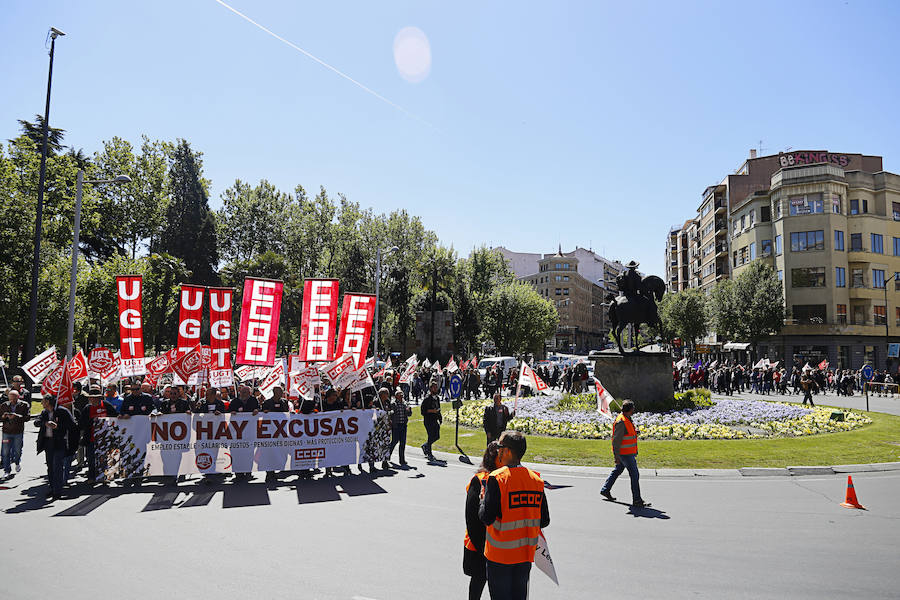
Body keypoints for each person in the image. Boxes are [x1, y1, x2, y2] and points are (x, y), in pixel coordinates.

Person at [478, 431, 549, 600]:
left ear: (507, 451)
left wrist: (482, 500)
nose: (497, 451)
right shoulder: (536, 480)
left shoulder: (497, 478)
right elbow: (544, 520)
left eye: (500, 447)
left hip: (500, 556)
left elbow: (486, 517)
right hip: (525, 555)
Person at [464, 442, 501, 600]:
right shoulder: (479, 480)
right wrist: (482, 548)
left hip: (499, 544)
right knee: (478, 581)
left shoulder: (504, 479)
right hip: (480, 544)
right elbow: (471, 519)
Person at [600, 399, 650, 507]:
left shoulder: (626, 419)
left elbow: (626, 434)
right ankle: (637, 500)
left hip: (626, 453)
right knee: (634, 475)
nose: (634, 410)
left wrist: (634, 432)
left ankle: (605, 489)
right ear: (630, 409)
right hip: (625, 454)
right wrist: (616, 456)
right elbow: (616, 441)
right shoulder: (621, 421)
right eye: (633, 409)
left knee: (617, 471)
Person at [35, 396, 78, 500]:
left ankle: (57, 491)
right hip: (48, 443)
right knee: (50, 467)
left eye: (43, 401)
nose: (41, 403)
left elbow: (72, 425)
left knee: (57, 466)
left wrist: (57, 426)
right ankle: (52, 487)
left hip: (59, 442)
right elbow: (36, 422)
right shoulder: (45, 412)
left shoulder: (62, 411)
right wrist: (45, 423)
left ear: (48, 402)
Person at [79, 385, 118, 482]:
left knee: (105, 458)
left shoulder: (106, 405)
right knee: (91, 459)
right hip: (91, 438)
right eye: (91, 398)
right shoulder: (87, 408)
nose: (93, 400)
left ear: (99, 398)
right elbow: (81, 423)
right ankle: (92, 477)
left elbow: (115, 417)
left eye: (95, 398)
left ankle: (106, 476)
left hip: (105, 438)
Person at [1, 389, 31, 476]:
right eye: (10, 398)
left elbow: (27, 417)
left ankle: (17, 462)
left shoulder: (24, 405)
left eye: (14, 398)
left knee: (17, 450)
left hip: (18, 431)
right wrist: (4, 416)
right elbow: (0, 418)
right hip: (6, 432)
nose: (12, 400)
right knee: (5, 452)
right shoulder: (4, 405)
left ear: (18, 397)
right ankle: (7, 470)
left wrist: (16, 416)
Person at [388, 388, 412, 467]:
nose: (402, 396)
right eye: (400, 395)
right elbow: (390, 414)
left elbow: (409, 414)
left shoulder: (405, 404)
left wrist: (409, 410)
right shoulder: (393, 404)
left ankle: (402, 459)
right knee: (394, 442)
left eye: (402, 395)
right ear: (396, 396)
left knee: (403, 443)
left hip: (403, 425)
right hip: (396, 425)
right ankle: (387, 456)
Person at [420, 381, 443, 460]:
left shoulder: (437, 398)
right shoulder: (427, 398)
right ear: (431, 388)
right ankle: (429, 453)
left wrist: (440, 418)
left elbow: (438, 409)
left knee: (437, 436)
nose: (436, 388)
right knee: (430, 436)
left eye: (436, 387)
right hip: (428, 420)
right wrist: (432, 411)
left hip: (435, 420)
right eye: (434, 387)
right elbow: (423, 411)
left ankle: (425, 445)